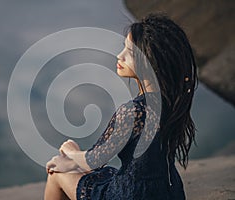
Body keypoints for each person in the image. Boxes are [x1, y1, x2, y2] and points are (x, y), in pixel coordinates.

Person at [44, 13, 198, 200]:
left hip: (133, 195)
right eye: (123, 48)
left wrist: (70, 152)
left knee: (56, 175)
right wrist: (73, 161)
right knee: (96, 173)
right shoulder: (174, 101)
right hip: (168, 192)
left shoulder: (134, 112)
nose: (120, 56)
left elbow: (94, 160)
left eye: (130, 53)